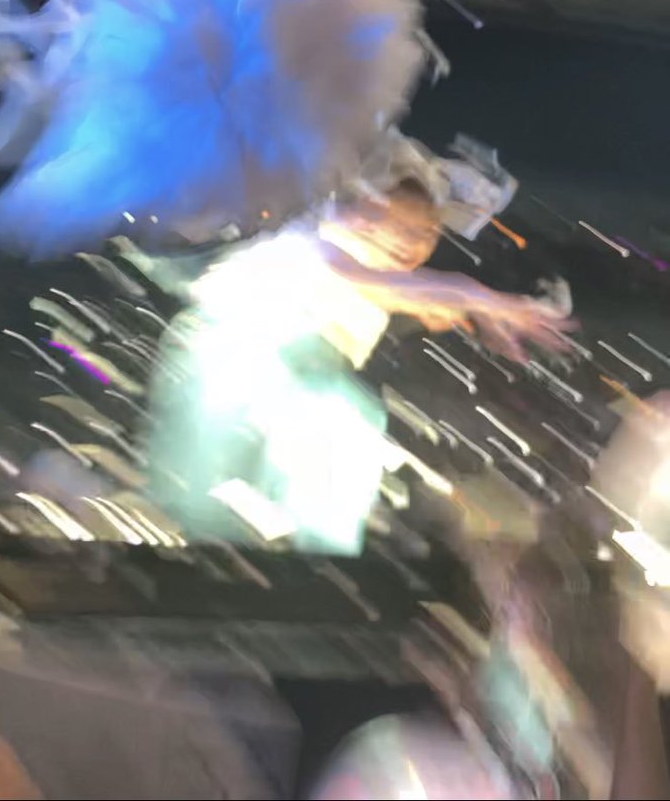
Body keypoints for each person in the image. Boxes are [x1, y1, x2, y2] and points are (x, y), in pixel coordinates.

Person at [147, 174, 571, 554]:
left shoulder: (374, 273)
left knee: (343, 423)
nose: (413, 243)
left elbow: (411, 294)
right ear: (363, 214)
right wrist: (481, 298)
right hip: (236, 350)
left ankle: (279, 541)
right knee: (339, 418)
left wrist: (481, 312)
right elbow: (386, 286)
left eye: (427, 233)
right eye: (400, 226)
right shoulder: (316, 243)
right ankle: (219, 528)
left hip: (283, 368)